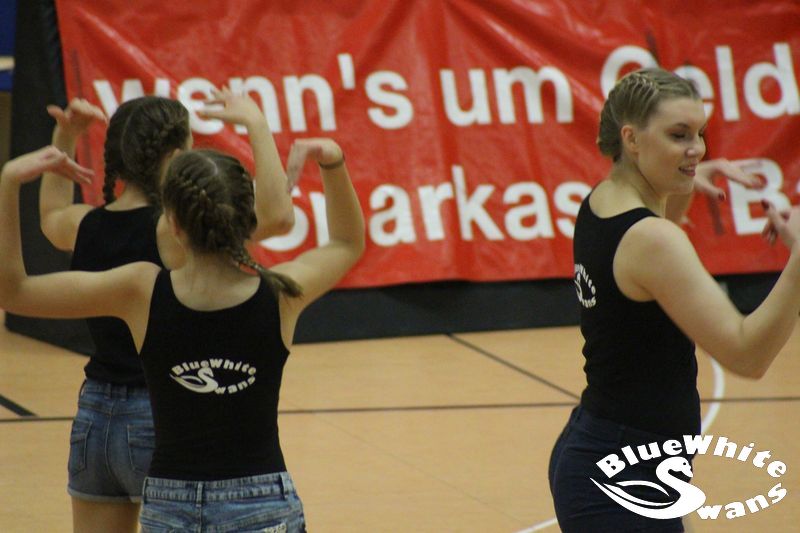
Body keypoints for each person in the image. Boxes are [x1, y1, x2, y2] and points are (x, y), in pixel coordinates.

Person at [0, 138, 364, 532]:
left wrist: (8, 182)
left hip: (170, 509)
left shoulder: (140, 291)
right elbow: (347, 242)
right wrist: (333, 161)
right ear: (248, 219)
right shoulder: (281, 293)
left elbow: (14, 292)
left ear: (173, 224)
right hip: (261, 504)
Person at [548, 68, 800, 532]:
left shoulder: (604, 200)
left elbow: (648, 258)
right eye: (678, 135)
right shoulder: (651, 240)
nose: (697, 148)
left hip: (606, 451)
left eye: (699, 134)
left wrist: (680, 180)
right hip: (622, 477)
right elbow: (748, 355)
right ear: (631, 139)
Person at [38, 92, 295, 532]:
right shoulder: (173, 230)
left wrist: (65, 136)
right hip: (158, 417)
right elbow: (277, 216)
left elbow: (51, 213)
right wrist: (256, 125)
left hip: (95, 417)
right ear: (176, 159)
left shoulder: (84, 224)